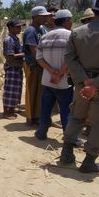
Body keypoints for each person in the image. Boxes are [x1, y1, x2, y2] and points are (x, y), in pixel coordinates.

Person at [60, 0, 99, 173]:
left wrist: (85, 80)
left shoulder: (77, 32)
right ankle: (89, 161)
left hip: (81, 86)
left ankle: (66, 154)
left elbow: (70, 57)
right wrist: (95, 85)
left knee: (76, 118)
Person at [34, 10, 74, 140]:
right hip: (64, 81)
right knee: (66, 110)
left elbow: (39, 58)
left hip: (47, 80)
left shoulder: (45, 36)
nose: (72, 22)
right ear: (66, 20)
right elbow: (71, 59)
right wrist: (60, 73)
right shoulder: (71, 36)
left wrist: (52, 71)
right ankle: (68, 137)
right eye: (71, 20)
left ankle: (41, 132)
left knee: (46, 108)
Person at [23, 6, 51, 124]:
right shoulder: (31, 31)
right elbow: (34, 51)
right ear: (36, 17)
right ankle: (31, 117)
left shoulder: (42, 29)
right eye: (43, 16)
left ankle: (38, 116)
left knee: (39, 92)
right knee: (31, 91)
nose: (46, 18)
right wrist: (44, 64)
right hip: (33, 65)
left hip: (40, 65)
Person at [2, 20, 26, 119]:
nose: (20, 29)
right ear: (10, 28)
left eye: (20, 27)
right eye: (18, 27)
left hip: (16, 67)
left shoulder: (15, 38)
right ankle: (7, 111)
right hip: (12, 67)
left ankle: (11, 108)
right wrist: (24, 54)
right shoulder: (9, 40)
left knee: (15, 89)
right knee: (10, 90)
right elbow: (9, 56)